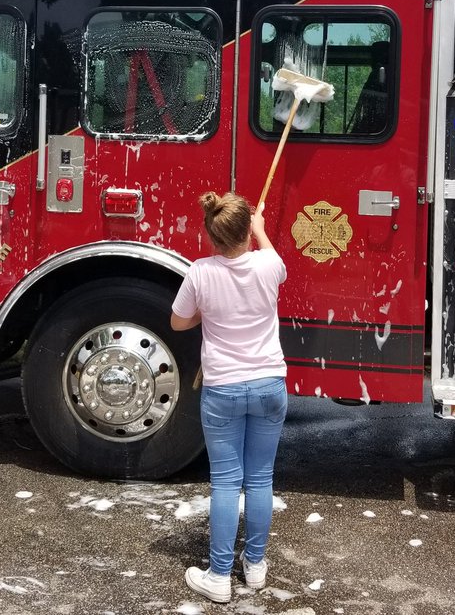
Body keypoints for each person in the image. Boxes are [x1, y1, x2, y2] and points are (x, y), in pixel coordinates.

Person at [171, 192, 288, 603]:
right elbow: (273, 262)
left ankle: (219, 576)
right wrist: (261, 232)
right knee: (260, 479)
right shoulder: (269, 264)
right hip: (270, 384)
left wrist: (208, 311)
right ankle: (254, 566)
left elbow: (178, 321)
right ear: (246, 231)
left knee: (226, 482)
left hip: (223, 388)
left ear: (210, 235)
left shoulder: (200, 273)